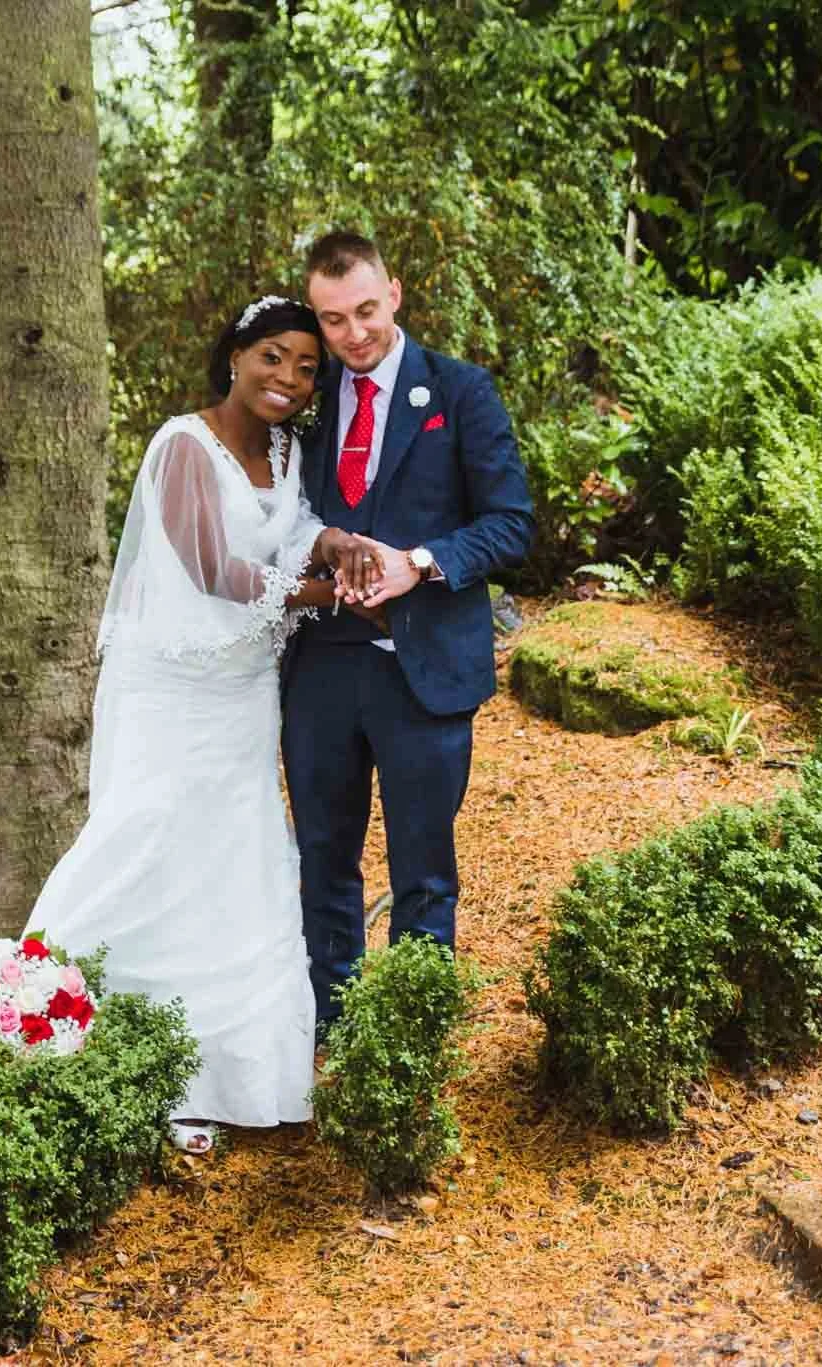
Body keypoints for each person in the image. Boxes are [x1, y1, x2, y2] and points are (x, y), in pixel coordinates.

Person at [23, 296, 372, 1155]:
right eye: (273, 358)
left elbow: (290, 531)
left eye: (305, 367)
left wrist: (332, 544)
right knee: (142, 842)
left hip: (244, 692)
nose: (288, 379)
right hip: (171, 689)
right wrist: (334, 593)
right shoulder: (183, 444)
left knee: (234, 859)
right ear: (235, 357)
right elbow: (215, 568)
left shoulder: (290, 451)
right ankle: (31, 1016)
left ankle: (225, 1076)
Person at [284, 231, 535, 1036]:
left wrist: (418, 563)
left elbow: (510, 525)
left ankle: (410, 1040)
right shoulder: (308, 408)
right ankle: (334, 1027)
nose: (353, 334)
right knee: (323, 856)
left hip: (422, 666)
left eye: (363, 309)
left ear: (393, 291)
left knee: (424, 866)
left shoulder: (461, 392)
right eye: (332, 320)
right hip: (321, 666)